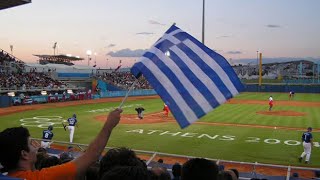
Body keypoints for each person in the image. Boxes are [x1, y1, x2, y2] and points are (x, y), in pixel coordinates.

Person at [0, 108, 122, 180]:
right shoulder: (42, 177)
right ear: (24, 154)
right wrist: (109, 125)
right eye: (31, 144)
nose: (35, 146)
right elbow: (91, 156)